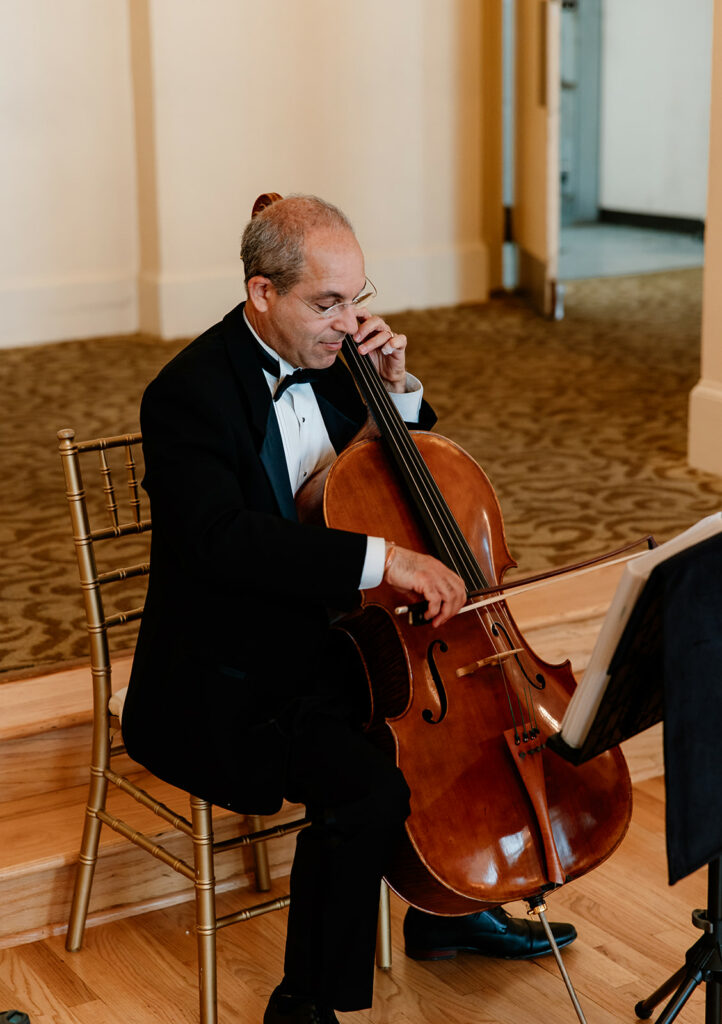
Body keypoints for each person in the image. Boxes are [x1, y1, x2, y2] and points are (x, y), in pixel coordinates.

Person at [123, 195, 576, 1024]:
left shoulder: (338, 361)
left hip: (348, 641)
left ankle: (446, 910)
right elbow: (224, 542)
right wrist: (388, 561)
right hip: (234, 673)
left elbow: (383, 482)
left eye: (357, 299)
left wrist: (393, 395)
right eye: (325, 303)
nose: (347, 323)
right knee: (368, 788)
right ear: (262, 293)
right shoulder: (185, 395)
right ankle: (303, 1008)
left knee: (455, 750)